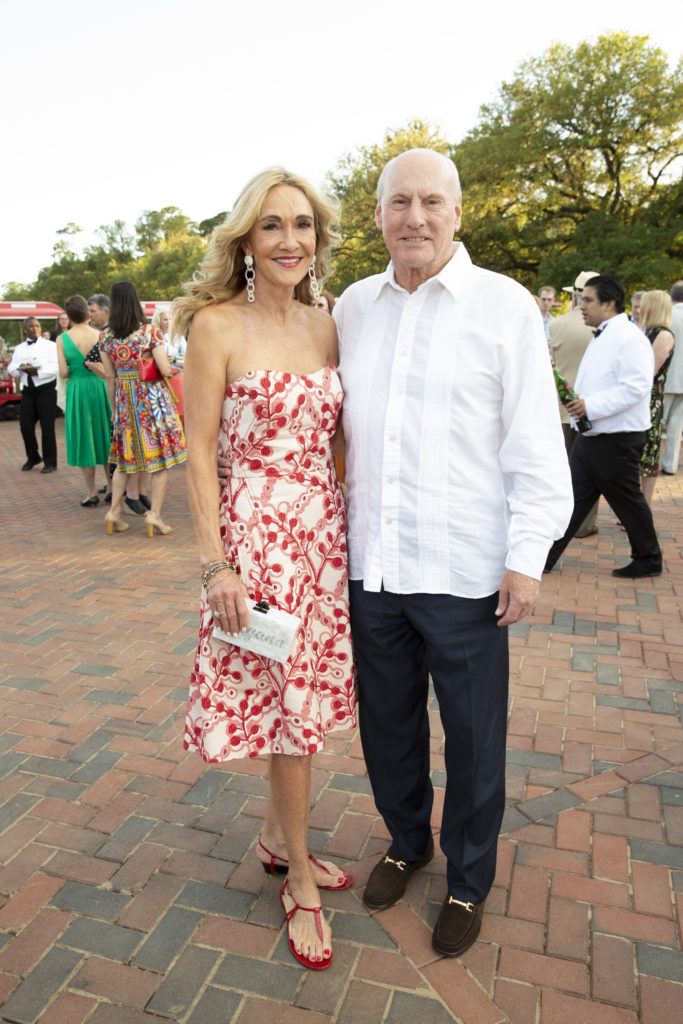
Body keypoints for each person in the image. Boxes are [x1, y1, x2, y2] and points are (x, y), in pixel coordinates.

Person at [333, 149, 572, 958]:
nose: (414, 218)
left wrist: (526, 558)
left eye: (431, 201)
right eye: (398, 202)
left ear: (457, 212)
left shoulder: (503, 307)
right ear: (377, 216)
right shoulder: (354, 308)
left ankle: (468, 879)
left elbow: (534, 444)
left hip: (465, 572)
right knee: (386, 728)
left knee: (473, 740)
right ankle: (408, 842)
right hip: (373, 566)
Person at [178, 168, 356, 972]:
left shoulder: (328, 326)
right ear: (246, 241)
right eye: (273, 225)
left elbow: (338, 442)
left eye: (302, 224)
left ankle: (280, 842)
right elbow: (199, 452)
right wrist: (216, 565)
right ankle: (300, 887)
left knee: (302, 702)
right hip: (255, 548)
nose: (290, 240)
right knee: (289, 711)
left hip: (322, 544)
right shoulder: (215, 325)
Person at [545, 275, 662, 579]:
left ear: (609, 304)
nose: (581, 306)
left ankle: (649, 558)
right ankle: (544, 556)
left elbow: (636, 387)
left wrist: (590, 406)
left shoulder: (628, 337)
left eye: (588, 300)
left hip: (616, 438)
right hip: (594, 435)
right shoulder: (607, 333)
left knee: (628, 501)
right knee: (571, 498)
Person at [99, 281, 186, 536]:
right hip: (151, 403)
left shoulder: (105, 337)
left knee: (125, 462)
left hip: (125, 404)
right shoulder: (150, 333)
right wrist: (167, 362)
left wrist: (115, 410)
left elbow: (110, 377)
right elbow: (165, 370)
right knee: (159, 461)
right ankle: (154, 515)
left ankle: (114, 511)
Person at [549, 271, 601, 537]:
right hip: (591, 408)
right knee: (588, 472)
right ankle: (583, 524)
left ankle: (557, 522)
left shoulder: (557, 325)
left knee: (558, 470)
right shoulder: (602, 328)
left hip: (560, 407)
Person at [56, 295, 112, 505]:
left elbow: (63, 372)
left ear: (69, 316)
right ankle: (112, 487)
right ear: (87, 313)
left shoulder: (62, 339)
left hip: (78, 390)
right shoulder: (100, 335)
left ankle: (91, 493)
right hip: (100, 387)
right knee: (105, 435)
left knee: (83, 437)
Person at [7, 317, 59, 472]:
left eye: (37, 326)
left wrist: (38, 371)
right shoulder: (19, 348)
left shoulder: (50, 346)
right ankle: (33, 457)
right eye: (31, 326)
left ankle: (50, 462)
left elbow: (57, 367)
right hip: (28, 391)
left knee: (47, 427)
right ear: (25, 330)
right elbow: (11, 368)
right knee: (25, 426)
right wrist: (21, 368)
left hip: (46, 389)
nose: (35, 328)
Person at [639, 290, 675, 506]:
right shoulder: (650, 331)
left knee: (648, 453)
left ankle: (644, 507)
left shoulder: (663, 335)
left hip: (651, 401)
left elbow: (649, 370)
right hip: (644, 398)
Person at [661, 280, 683, 475]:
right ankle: (670, 465)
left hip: (667, 378)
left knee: (657, 423)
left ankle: (650, 461)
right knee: (677, 425)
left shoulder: (667, 316)